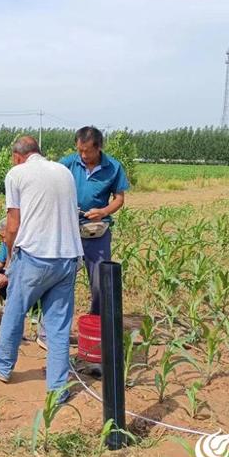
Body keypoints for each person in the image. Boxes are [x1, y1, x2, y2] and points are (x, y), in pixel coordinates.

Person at [0, 136, 83, 400]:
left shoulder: (17, 173)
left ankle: (2, 366)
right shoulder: (64, 171)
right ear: (39, 152)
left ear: (17, 156)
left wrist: (10, 258)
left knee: (15, 310)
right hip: (68, 256)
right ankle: (58, 389)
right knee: (58, 326)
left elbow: (12, 224)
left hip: (35, 256)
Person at [60, 126, 129, 316]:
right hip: (68, 230)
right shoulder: (68, 164)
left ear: (99, 147)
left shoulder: (113, 168)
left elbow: (119, 199)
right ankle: (58, 318)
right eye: (79, 150)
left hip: (96, 231)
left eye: (87, 151)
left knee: (100, 279)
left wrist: (103, 211)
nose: (82, 155)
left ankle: (97, 318)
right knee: (62, 277)